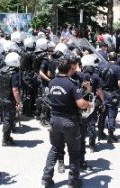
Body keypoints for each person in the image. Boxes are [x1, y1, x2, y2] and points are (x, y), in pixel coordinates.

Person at [41, 55, 92, 188]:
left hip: (54, 119)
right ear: (70, 68)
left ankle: (46, 177)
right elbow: (81, 103)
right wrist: (89, 104)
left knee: (55, 149)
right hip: (69, 121)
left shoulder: (52, 82)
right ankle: (73, 181)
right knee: (74, 151)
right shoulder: (72, 84)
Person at [0, 52, 23, 146]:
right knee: (9, 119)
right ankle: (6, 139)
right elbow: (15, 90)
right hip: (9, 99)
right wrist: (19, 102)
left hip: (3, 98)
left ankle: (7, 135)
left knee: (5, 118)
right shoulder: (14, 74)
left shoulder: (1, 71)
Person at [99, 52, 120, 144]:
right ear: (116, 58)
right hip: (113, 92)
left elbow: (99, 80)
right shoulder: (117, 68)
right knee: (112, 114)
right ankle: (111, 134)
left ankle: (101, 133)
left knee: (102, 113)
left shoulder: (102, 66)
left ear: (108, 58)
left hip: (103, 92)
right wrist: (118, 90)